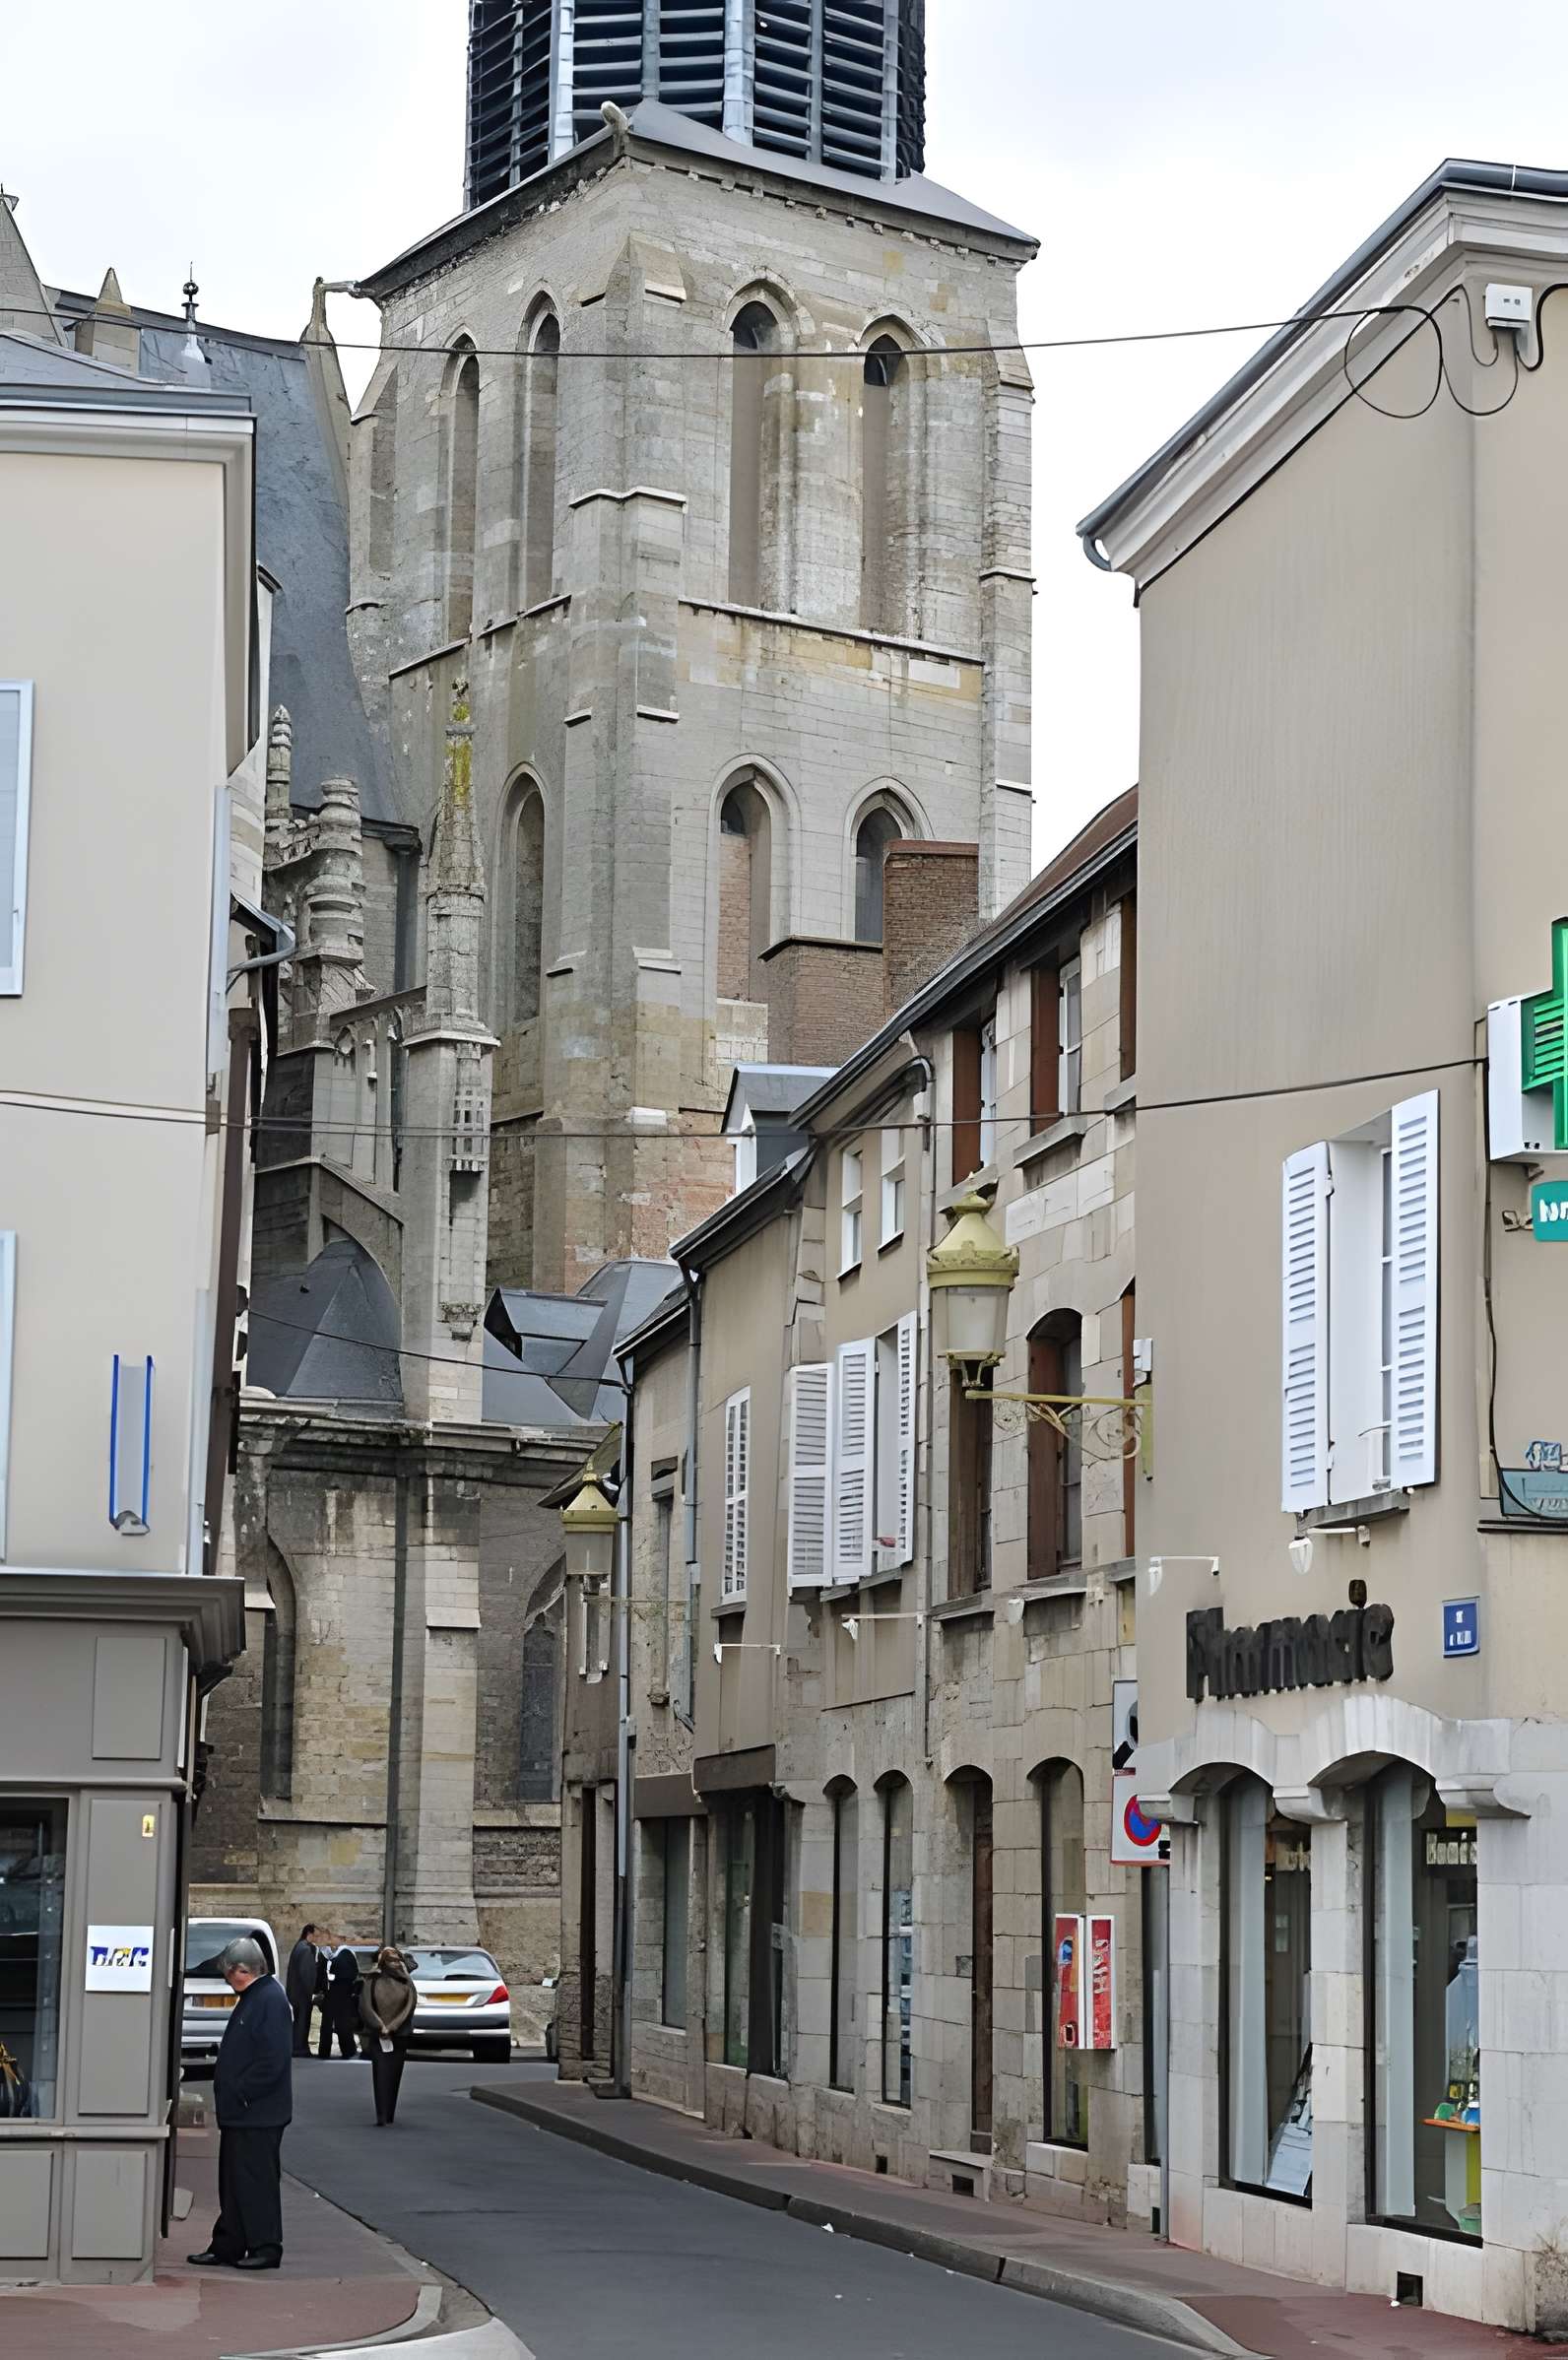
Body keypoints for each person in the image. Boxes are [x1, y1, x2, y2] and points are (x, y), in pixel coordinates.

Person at [187, 1936, 292, 2271]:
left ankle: (265, 2246)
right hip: (243, 2111)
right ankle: (228, 2244)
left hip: (256, 2112)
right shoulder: (257, 1997)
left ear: (240, 1971)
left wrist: (241, 2091)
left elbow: (273, 2060)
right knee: (234, 2182)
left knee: (256, 2181)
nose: (227, 1981)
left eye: (228, 1974)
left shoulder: (269, 1999)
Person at [359, 1945, 418, 2126]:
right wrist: (380, 2026)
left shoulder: (406, 1981)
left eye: (397, 1959)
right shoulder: (373, 1979)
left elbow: (410, 2005)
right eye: (391, 1960)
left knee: (394, 2074)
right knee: (381, 2073)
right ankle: (382, 2113)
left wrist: (392, 2026)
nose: (395, 1963)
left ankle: (389, 2111)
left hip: (399, 2034)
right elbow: (366, 2005)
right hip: (379, 2035)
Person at [319, 1937, 362, 2060]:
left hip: (335, 1993)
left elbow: (333, 1973)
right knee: (343, 2024)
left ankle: (325, 2051)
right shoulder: (348, 1955)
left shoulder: (341, 1957)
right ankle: (348, 2050)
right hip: (344, 1994)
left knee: (329, 2024)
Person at [284, 1924, 321, 2059]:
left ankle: (298, 2047)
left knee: (299, 2021)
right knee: (302, 2022)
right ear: (309, 1934)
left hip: (296, 1993)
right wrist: (312, 1991)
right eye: (315, 1935)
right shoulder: (305, 1949)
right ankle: (299, 2048)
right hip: (301, 1994)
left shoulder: (299, 1946)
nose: (317, 1939)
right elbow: (307, 1974)